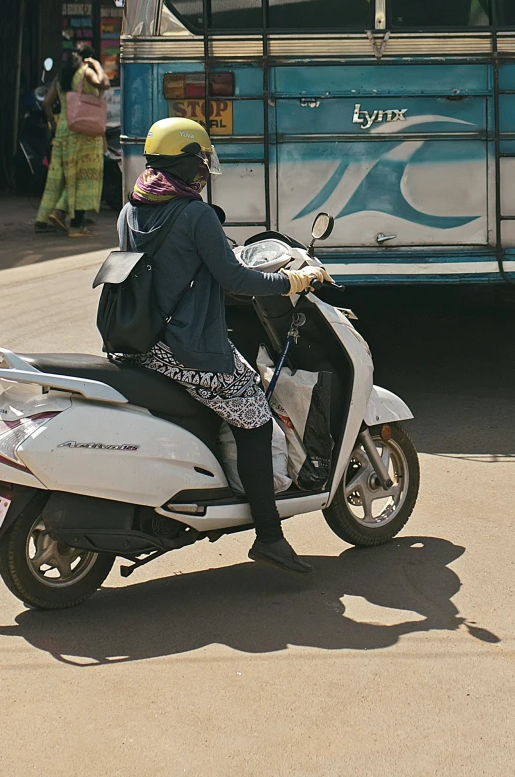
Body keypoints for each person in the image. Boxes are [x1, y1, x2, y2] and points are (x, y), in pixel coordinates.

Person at [115, 117, 328, 575]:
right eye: (200, 162)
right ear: (189, 163)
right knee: (253, 417)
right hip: (190, 349)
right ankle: (269, 536)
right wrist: (293, 279)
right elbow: (235, 278)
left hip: (142, 344)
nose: (202, 172)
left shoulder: (130, 210)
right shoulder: (195, 215)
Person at [37, 58, 109, 234]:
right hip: (85, 130)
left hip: (63, 128)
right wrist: (98, 65)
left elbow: (46, 103)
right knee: (82, 178)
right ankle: (72, 223)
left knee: (58, 177)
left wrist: (52, 124)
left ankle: (43, 220)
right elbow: (104, 83)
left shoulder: (61, 76)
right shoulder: (86, 72)